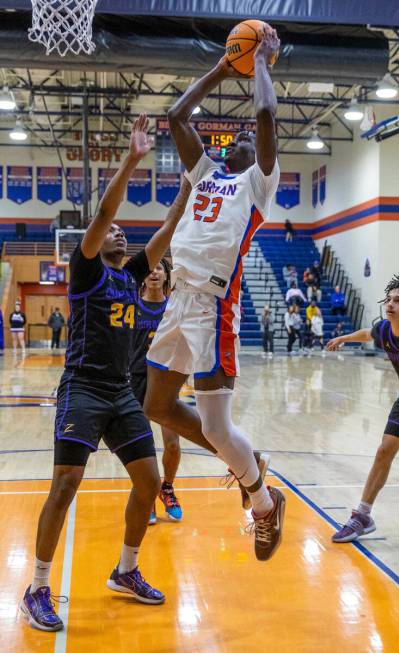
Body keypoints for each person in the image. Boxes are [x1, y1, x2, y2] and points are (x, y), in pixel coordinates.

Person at [20, 114, 208, 633]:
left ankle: (125, 569)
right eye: (112, 231)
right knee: (65, 483)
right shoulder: (86, 270)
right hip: (82, 388)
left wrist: (191, 182)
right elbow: (105, 211)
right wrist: (132, 158)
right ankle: (36, 584)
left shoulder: (133, 273)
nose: (119, 231)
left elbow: (169, 228)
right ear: (96, 240)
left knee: (148, 480)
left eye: (124, 231)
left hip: (121, 392)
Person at [143, 27, 285, 562]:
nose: (241, 138)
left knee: (218, 426)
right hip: (178, 298)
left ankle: (262, 502)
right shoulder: (204, 172)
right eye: (235, 138)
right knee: (156, 404)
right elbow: (177, 117)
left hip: (214, 306)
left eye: (247, 139)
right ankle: (247, 463)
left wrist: (263, 61)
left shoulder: (258, 185)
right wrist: (224, 70)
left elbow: (266, 116)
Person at [327, 273, 399, 548]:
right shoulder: (384, 330)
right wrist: (345, 338)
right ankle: (362, 515)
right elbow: (367, 333)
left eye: (398, 300)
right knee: (384, 451)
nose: (390, 304)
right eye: (388, 299)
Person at [130, 258, 184, 524]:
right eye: (149, 270)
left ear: (166, 276)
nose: (153, 273)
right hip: (136, 379)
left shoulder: (174, 308)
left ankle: (167, 488)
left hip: (166, 379)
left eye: (159, 269)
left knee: (172, 445)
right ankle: (148, 492)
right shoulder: (132, 306)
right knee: (143, 444)